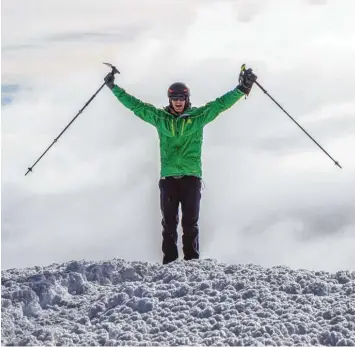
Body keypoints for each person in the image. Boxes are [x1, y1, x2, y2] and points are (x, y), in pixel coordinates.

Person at [104, 66, 257, 264]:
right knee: (169, 224)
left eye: (181, 99)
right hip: (168, 179)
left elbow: (220, 105)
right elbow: (137, 106)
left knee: (190, 224)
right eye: (175, 99)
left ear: (187, 99)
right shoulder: (160, 118)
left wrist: (242, 89)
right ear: (170, 100)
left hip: (191, 178)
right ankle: (169, 264)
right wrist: (114, 88)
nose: (178, 102)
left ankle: (191, 264)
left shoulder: (197, 117)